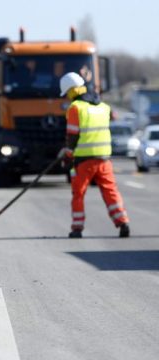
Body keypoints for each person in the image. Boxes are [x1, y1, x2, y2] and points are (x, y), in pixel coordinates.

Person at [59, 72, 130, 238]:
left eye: (68, 93)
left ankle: (77, 228)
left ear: (72, 91)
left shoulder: (76, 108)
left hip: (83, 160)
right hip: (104, 159)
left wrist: (68, 155)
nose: (68, 97)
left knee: (78, 193)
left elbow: (72, 135)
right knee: (110, 191)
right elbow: (111, 119)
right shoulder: (104, 107)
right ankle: (122, 222)